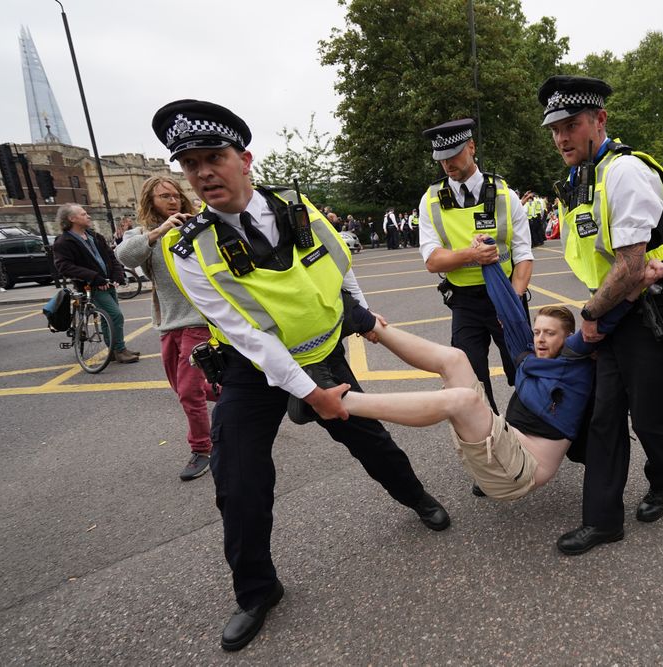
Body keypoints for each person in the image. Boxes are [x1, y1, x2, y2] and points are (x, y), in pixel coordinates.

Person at [150, 99, 449, 652]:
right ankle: (258, 592)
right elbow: (247, 335)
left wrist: (362, 317)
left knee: (373, 445)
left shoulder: (298, 207)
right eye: (190, 165)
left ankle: (418, 499)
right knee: (238, 482)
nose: (203, 173)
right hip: (253, 371)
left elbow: (340, 268)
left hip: (324, 355)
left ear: (245, 159)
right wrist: (313, 395)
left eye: (214, 157)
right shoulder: (187, 246)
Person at [341, 253, 663, 500]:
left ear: (567, 339)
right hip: (495, 450)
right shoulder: (526, 359)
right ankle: (368, 323)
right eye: (537, 332)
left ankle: (339, 401)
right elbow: (509, 311)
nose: (540, 339)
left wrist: (640, 283)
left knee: (465, 400)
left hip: (520, 471)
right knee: (456, 358)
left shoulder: (575, 360)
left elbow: (603, 322)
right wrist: (489, 262)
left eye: (550, 334)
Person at [538, 75, 663, 555]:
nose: (562, 137)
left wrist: (588, 314)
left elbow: (631, 267)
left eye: (572, 124)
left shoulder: (623, 171)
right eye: (555, 128)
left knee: (651, 418)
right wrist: (599, 312)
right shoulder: (581, 177)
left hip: (655, 313)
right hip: (615, 312)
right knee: (605, 416)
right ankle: (603, 520)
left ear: (599, 121)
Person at [417, 118, 534, 414]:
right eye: (441, 158)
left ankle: (530, 431)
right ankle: (492, 440)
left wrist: (514, 301)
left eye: (453, 155)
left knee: (524, 368)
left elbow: (523, 255)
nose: (446, 164)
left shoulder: (506, 196)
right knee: (470, 378)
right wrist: (472, 255)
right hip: (464, 303)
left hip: (506, 295)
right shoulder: (431, 200)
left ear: (471, 146)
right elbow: (432, 260)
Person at [115, 176, 216, 481]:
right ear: (151, 200)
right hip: (168, 321)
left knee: (188, 391)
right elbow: (124, 256)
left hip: (198, 320)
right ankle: (244, 397)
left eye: (175, 195)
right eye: (164, 196)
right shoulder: (144, 234)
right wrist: (159, 231)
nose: (172, 201)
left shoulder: (195, 224)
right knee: (184, 387)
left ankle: (202, 449)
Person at [52, 204, 139, 364]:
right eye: (84, 214)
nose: (89, 216)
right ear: (72, 219)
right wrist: (94, 277)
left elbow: (111, 257)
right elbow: (64, 267)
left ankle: (113, 350)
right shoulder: (64, 242)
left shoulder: (94, 236)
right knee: (115, 316)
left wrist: (117, 275)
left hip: (108, 283)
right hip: (90, 287)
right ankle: (120, 350)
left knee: (109, 320)